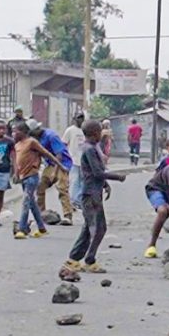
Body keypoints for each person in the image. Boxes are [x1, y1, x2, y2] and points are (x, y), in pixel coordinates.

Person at [65, 120, 126, 273]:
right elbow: (97, 173)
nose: (101, 135)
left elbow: (94, 172)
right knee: (99, 228)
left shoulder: (90, 148)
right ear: (93, 134)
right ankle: (89, 260)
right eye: (99, 132)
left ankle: (73, 259)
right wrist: (117, 177)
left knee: (87, 229)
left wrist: (105, 184)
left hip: (93, 192)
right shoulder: (89, 150)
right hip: (90, 195)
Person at [12, 122, 65, 239]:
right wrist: (16, 174)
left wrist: (60, 166)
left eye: (16, 131)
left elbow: (48, 154)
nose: (13, 133)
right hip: (23, 177)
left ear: (23, 132)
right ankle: (42, 228)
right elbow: (17, 161)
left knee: (26, 201)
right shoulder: (17, 145)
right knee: (32, 204)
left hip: (32, 176)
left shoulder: (31, 142)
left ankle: (22, 229)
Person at [29, 120, 74, 226]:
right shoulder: (36, 139)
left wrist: (55, 172)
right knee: (40, 186)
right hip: (50, 164)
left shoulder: (51, 136)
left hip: (62, 163)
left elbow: (59, 154)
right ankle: (41, 214)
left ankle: (68, 216)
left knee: (62, 188)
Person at [63, 112, 87, 206]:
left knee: (83, 181)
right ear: (74, 119)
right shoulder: (70, 130)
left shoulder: (85, 130)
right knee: (74, 181)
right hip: (73, 159)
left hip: (84, 160)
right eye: (78, 118)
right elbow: (64, 144)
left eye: (82, 118)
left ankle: (79, 200)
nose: (80, 119)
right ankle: (73, 200)